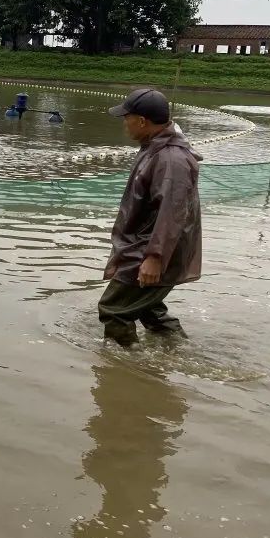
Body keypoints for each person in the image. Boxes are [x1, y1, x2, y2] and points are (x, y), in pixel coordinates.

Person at [98, 88, 201, 346]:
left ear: (142, 121)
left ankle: (126, 371)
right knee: (148, 308)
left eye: (127, 117)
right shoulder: (155, 147)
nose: (124, 123)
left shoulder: (170, 158)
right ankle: (175, 355)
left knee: (114, 309)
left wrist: (155, 257)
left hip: (152, 249)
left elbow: (173, 212)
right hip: (144, 244)